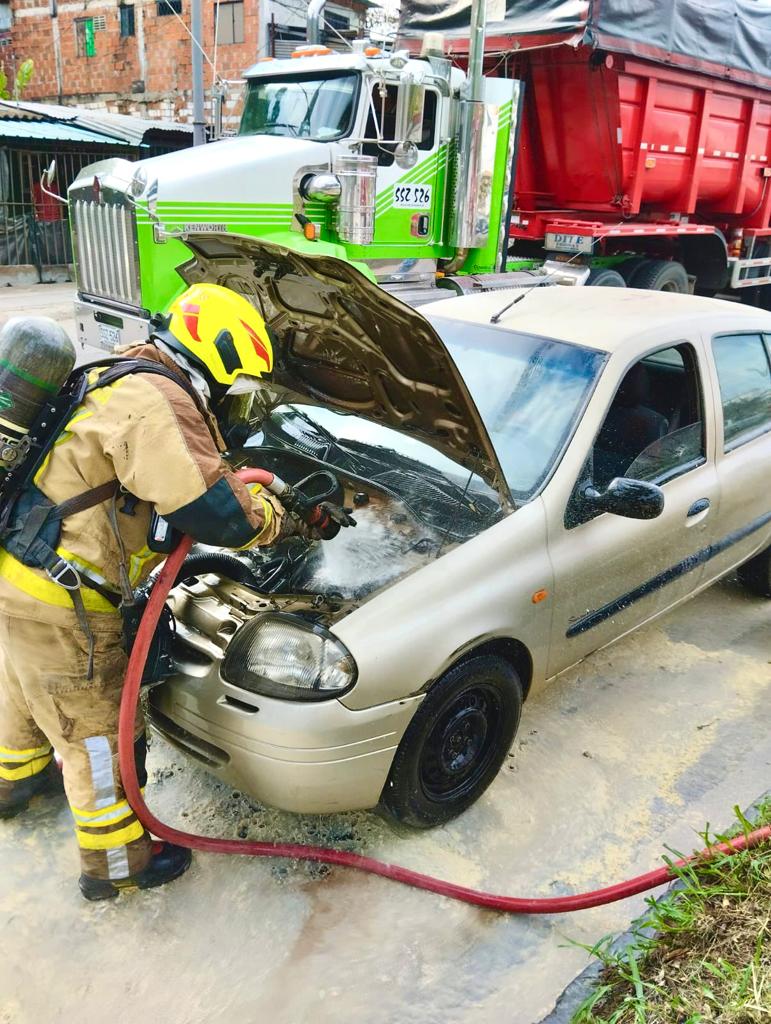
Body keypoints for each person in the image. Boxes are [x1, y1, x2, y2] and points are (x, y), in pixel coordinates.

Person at [0, 283, 318, 900]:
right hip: (68, 600)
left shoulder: (119, 371)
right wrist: (283, 521)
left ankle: (15, 781)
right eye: (237, 384)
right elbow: (222, 516)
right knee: (93, 728)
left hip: (17, 574)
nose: (232, 399)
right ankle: (118, 864)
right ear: (219, 360)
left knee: (22, 685)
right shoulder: (158, 400)